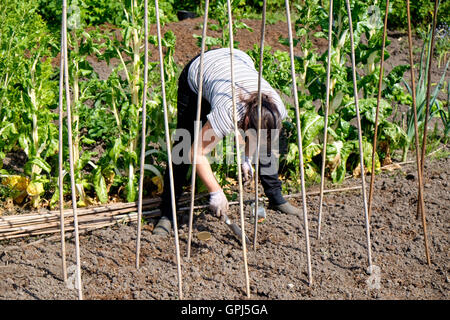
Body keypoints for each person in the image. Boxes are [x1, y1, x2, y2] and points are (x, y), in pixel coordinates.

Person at [153, 48, 301, 236]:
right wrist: (215, 191)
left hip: (237, 59)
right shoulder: (228, 112)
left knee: (266, 144)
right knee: (184, 143)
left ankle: (275, 196)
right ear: (244, 122)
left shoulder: (275, 109)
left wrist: (246, 157)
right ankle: (167, 212)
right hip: (200, 73)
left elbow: (259, 136)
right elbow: (195, 152)